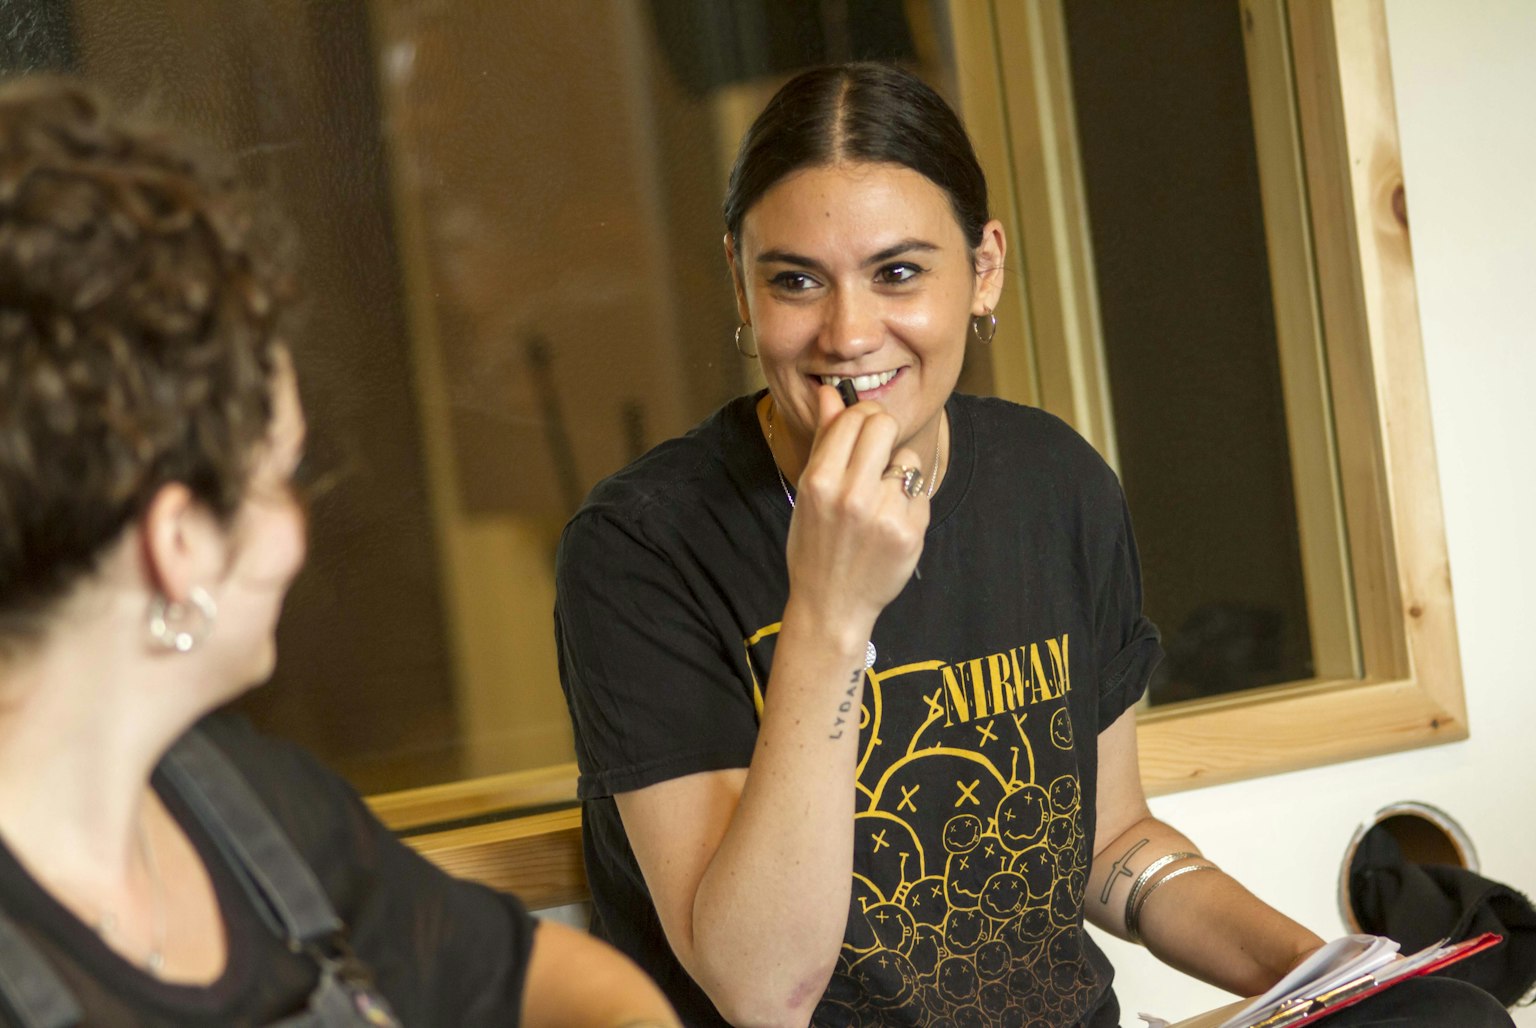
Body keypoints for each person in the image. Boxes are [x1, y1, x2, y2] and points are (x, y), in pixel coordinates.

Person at [554, 63, 1513, 1026]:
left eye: (898, 272)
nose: (847, 335)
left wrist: (1320, 974)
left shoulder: (1052, 482)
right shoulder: (642, 548)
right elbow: (764, 988)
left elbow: (1109, 840)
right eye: (796, 281)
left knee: (1446, 1019)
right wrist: (832, 612)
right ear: (741, 281)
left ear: (983, 269)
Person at [0, 78, 680, 1027]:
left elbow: (557, 982)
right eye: (283, 478)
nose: (299, 533)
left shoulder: (242, 804)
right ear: (179, 542)